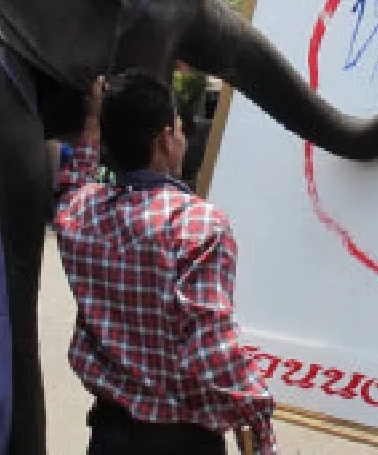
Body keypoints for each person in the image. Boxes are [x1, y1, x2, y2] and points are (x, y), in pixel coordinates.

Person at [53, 71, 276, 455]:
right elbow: (210, 349)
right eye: (179, 128)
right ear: (165, 140)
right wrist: (257, 417)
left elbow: (72, 183)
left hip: (110, 435)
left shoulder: (79, 214)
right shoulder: (198, 225)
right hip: (184, 441)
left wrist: (92, 121)